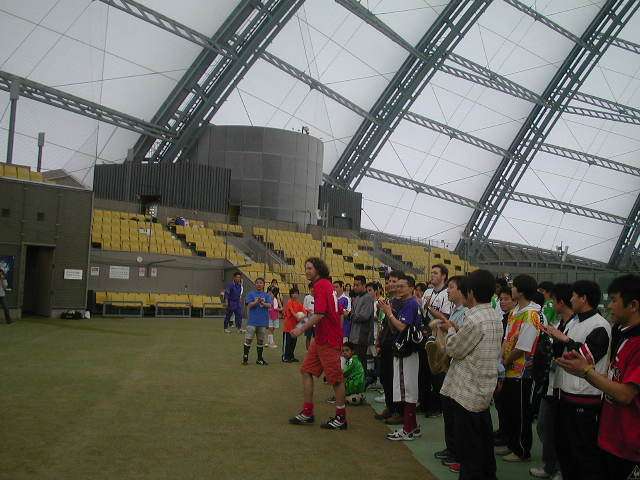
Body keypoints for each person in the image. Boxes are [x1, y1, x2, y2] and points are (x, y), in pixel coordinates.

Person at [556, 274, 640, 480]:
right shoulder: (623, 334)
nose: (609, 305)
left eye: (614, 300)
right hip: (611, 434)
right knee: (570, 454)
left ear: (633, 305)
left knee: (583, 459)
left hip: (627, 442)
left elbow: (626, 394)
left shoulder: (611, 330)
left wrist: (585, 371)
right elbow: (614, 377)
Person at [545, 280, 611, 480]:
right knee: (564, 449)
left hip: (584, 398)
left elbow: (586, 358)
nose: (571, 299)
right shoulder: (574, 321)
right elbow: (561, 352)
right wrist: (553, 338)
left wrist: (564, 339)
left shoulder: (600, 325)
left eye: (574, 296)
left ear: (584, 298)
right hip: (564, 394)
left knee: (582, 453)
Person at [439, 269, 502, 480]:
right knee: (484, 446)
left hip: (467, 393)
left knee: (469, 452)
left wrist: (450, 330)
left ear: (471, 292)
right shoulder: (493, 315)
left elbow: (454, 349)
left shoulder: (474, 319)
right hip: (483, 390)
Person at [289, 257, 347, 430]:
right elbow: (330, 312)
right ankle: (307, 412)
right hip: (321, 338)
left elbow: (320, 314)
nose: (307, 271)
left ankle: (341, 418)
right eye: (306, 268)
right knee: (306, 370)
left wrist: (300, 328)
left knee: (335, 379)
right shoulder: (325, 285)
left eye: (310, 268)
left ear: (318, 269)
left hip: (328, 340)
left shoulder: (321, 285)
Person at [530, 283, 573, 480]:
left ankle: (559, 468)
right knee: (544, 426)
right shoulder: (558, 323)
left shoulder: (577, 325)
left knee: (560, 430)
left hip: (567, 385)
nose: (551, 303)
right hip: (550, 381)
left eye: (554, 300)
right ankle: (549, 465)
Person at [497, 274, 541, 462]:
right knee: (509, 411)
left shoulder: (531, 315)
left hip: (522, 373)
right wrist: (501, 359)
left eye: (514, 286)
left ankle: (522, 450)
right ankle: (511, 444)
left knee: (521, 414)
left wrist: (504, 362)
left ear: (521, 291)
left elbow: (523, 347)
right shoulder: (515, 312)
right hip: (509, 370)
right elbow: (507, 339)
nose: (511, 288)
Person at [430, 275, 468, 474]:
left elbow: (461, 337)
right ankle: (451, 447)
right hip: (449, 363)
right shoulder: (456, 309)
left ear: (461, 290)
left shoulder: (467, 312)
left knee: (454, 412)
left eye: (451, 287)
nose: (448, 290)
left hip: (457, 365)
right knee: (448, 409)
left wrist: (449, 327)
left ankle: (457, 451)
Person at [378, 274, 422, 441]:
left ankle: (408, 429)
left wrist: (389, 313)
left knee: (407, 390)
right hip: (404, 350)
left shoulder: (411, 304)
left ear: (411, 288)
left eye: (402, 286)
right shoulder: (405, 303)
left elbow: (402, 327)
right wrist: (388, 312)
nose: (397, 289)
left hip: (407, 351)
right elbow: (394, 328)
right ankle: (413, 426)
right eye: (397, 286)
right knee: (407, 388)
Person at [421, 264, 452, 417]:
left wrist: (429, 307)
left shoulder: (447, 293)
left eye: (435, 273)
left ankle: (439, 406)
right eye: (431, 272)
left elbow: (445, 318)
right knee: (425, 371)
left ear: (443, 276)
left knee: (438, 371)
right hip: (426, 333)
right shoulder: (427, 291)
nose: (432, 275)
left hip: (440, 336)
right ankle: (426, 403)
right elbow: (422, 312)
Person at [374, 270, 404, 425]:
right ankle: (390, 406)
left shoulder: (402, 302)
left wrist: (388, 312)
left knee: (395, 379)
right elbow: (382, 324)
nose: (390, 284)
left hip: (396, 345)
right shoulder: (388, 300)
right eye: (388, 281)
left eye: (394, 281)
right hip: (385, 343)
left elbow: (396, 327)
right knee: (385, 377)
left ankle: (398, 411)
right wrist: (379, 340)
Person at [494, 286, 515, 448]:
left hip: (511, 367)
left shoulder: (515, 319)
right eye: (501, 299)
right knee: (500, 401)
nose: (502, 302)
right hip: (501, 363)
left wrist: (503, 362)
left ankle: (507, 435)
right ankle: (502, 430)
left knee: (507, 403)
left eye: (506, 299)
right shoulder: (504, 319)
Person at [242, 278, 273, 366]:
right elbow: (249, 305)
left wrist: (263, 303)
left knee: (260, 340)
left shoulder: (266, 295)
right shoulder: (251, 294)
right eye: (257, 283)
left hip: (262, 322)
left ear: (263, 285)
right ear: (255, 284)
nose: (259, 284)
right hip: (252, 321)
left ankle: (259, 359)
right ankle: (245, 357)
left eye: (261, 283)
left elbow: (270, 305)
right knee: (248, 339)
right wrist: (256, 302)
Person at [348, 275, 375, 369]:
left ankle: (363, 378)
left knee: (361, 362)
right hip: (354, 335)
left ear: (364, 285)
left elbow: (364, 316)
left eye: (357, 285)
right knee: (355, 361)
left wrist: (350, 315)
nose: (355, 287)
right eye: (354, 285)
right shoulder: (357, 298)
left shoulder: (368, 298)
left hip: (362, 336)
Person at [282, 287, 305, 363]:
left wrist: (305, 315)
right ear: (291, 294)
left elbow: (303, 310)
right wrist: (297, 316)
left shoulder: (299, 303)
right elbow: (292, 311)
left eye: (296, 293)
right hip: (288, 327)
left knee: (293, 342)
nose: (295, 295)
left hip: (295, 327)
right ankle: (285, 357)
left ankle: (291, 356)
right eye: (293, 293)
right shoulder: (289, 302)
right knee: (287, 342)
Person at [303, 284, 315, 350]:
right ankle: (308, 351)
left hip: (316, 320)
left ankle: (315, 351)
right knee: (308, 336)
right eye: (311, 288)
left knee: (316, 337)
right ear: (309, 289)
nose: (313, 289)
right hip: (308, 320)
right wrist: (308, 310)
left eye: (314, 288)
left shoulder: (318, 297)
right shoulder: (307, 297)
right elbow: (304, 308)